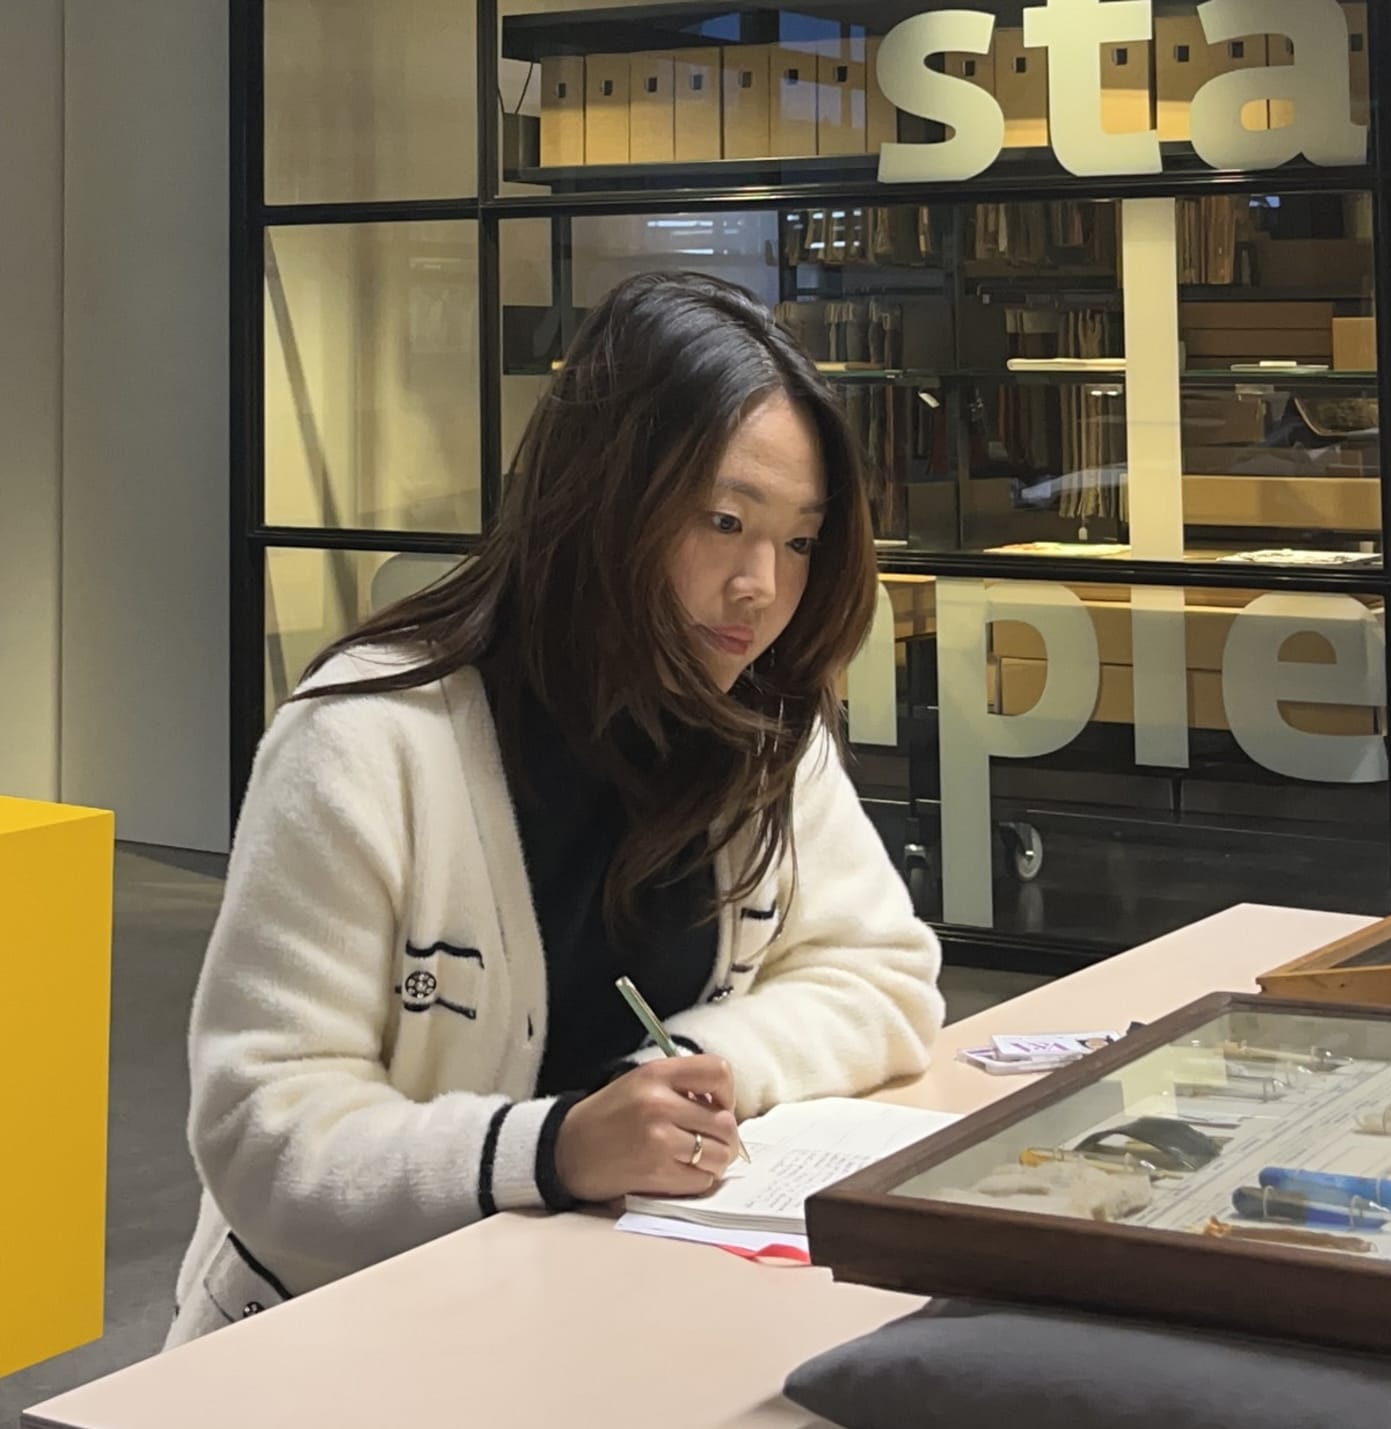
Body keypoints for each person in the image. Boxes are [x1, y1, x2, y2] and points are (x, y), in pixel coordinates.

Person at [163, 271, 945, 1347]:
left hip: (619, 1313)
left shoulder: (761, 728)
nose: (762, 583)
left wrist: (682, 1072)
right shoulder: (367, 738)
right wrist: (555, 1146)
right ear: (604, 499)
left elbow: (883, 976)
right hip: (344, 1341)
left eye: (800, 539)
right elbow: (267, 1133)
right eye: (725, 520)